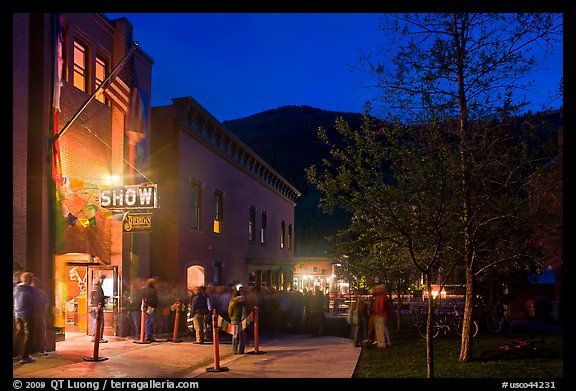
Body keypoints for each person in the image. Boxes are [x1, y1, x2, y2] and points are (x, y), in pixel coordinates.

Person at [13, 271, 37, 364]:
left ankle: (15, 354)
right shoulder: (31, 289)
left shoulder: (16, 289)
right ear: (31, 279)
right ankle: (25, 357)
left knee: (19, 334)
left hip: (17, 314)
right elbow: (35, 301)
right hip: (29, 314)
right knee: (30, 335)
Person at [31, 276, 49, 355]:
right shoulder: (29, 293)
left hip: (41, 315)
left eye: (35, 283)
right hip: (32, 315)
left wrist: (44, 309)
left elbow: (47, 302)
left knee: (41, 332)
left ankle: (41, 349)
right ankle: (35, 349)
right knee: (33, 333)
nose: (34, 285)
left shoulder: (41, 293)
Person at [228, 289, 246, 354]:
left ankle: (234, 350)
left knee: (235, 336)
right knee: (242, 336)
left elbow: (230, 312)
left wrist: (231, 317)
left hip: (234, 320)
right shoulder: (243, 302)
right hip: (242, 320)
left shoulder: (232, 302)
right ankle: (241, 350)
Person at [89, 277, 107, 343]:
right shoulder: (99, 289)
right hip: (98, 307)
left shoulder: (93, 288)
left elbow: (91, 297)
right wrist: (99, 306)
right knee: (100, 322)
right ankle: (98, 337)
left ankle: (94, 336)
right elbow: (99, 298)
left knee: (94, 322)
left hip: (94, 306)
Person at [141, 278, 159, 342]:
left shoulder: (144, 290)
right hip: (151, 307)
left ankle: (147, 335)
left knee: (147, 321)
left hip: (146, 306)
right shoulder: (153, 290)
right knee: (150, 321)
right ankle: (149, 335)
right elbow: (155, 299)